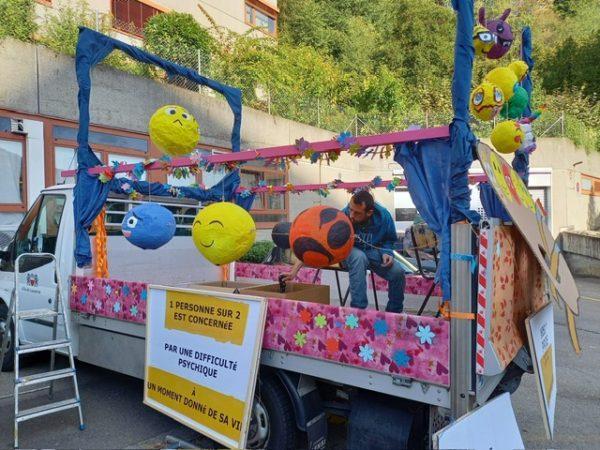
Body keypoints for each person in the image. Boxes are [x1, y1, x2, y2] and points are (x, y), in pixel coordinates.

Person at [283, 190, 406, 313]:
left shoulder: (384, 217)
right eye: (350, 209)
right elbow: (313, 242)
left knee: (398, 272)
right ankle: (358, 311)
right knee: (359, 258)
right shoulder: (342, 216)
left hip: (372, 252)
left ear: (369, 213)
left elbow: (389, 239)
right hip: (348, 252)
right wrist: (294, 271)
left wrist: (387, 253)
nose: (351, 215)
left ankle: (394, 314)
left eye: (357, 213)